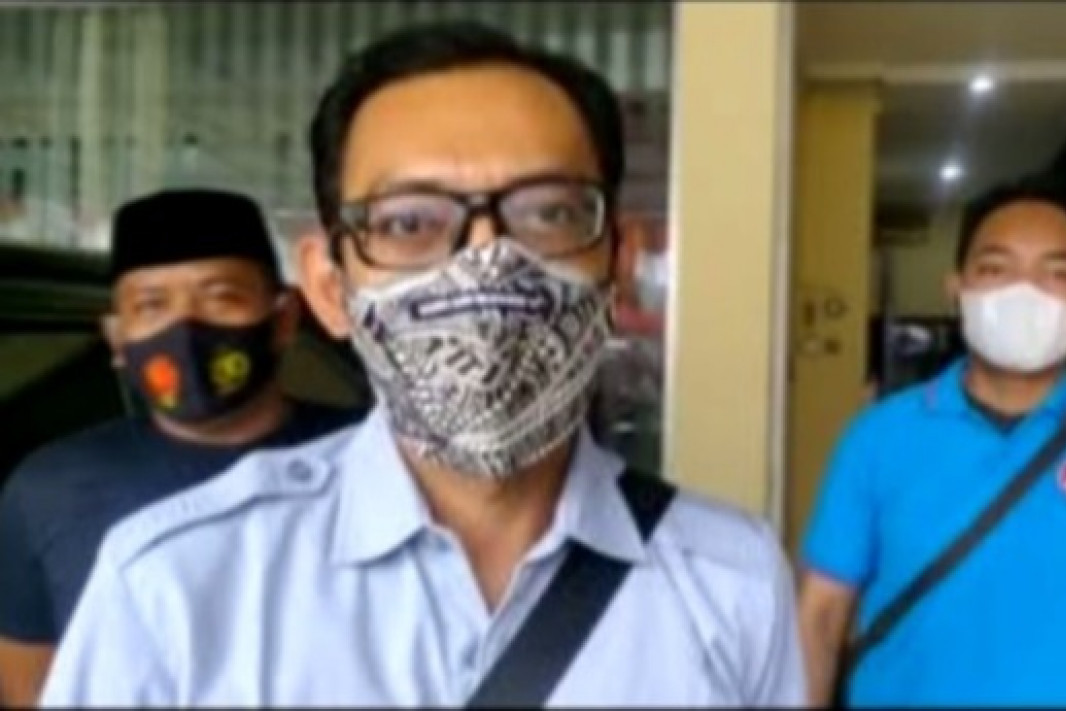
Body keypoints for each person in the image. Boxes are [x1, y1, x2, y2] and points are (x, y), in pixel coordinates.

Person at [39, 22, 804, 707]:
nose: (487, 265)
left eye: (547, 213)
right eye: (409, 222)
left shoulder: (730, 578)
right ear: (329, 287)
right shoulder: (172, 585)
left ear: (619, 264)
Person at [797, 177, 1066, 707]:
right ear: (956, 289)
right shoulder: (877, 439)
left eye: (1057, 273)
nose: (1024, 292)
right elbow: (819, 619)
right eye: (996, 268)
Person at [0, 188, 364, 707]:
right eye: (151, 305)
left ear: (284, 320)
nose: (185, 327)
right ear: (117, 338)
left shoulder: (376, 459)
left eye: (222, 297)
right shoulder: (46, 490)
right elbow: (30, 686)